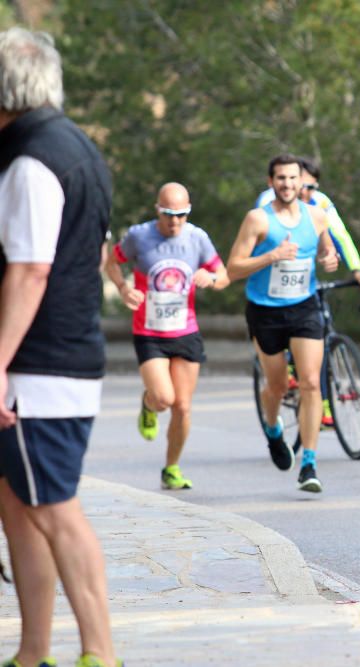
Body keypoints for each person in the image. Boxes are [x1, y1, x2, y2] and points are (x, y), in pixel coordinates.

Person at [0, 27, 122, 667]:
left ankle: (100, 652)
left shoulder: (30, 159)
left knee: (53, 507)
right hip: (62, 355)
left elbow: (30, 270)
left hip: (38, 363)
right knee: (21, 507)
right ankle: (32, 653)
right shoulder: (77, 148)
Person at [104, 182, 230, 490]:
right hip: (149, 332)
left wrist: (211, 277)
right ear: (157, 209)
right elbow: (112, 262)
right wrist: (123, 288)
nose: (175, 222)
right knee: (164, 399)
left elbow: (224, 276)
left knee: (183, 407)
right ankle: (149, 404)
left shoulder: (197, 238)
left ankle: (171, 468)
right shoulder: (139, 236)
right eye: (169, 214)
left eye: (182, 215)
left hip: (186, 331)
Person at [226, 154, 339, 493]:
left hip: (304, 307)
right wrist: (271, 256)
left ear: (301, 182)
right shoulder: (258, 220)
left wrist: (329, 258)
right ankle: (273, 429)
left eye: (293, 179)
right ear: (271, 181)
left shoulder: (317, 216)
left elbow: (327, 249)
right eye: (281, 179)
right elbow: (233, 268)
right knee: (276, 387)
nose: (287, 185)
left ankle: (309, 462)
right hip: (265, 311)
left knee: (310, 383)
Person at [255, 156, 360, 428]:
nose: (304, 193)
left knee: (317, 332)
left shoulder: (320, 202)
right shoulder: (267, 200)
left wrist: (357, 270)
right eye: (302, 186)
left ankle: (319, 401)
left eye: (311, 187)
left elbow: (341, 235)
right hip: (274, 277)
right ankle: (285, 365)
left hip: (304, 274)